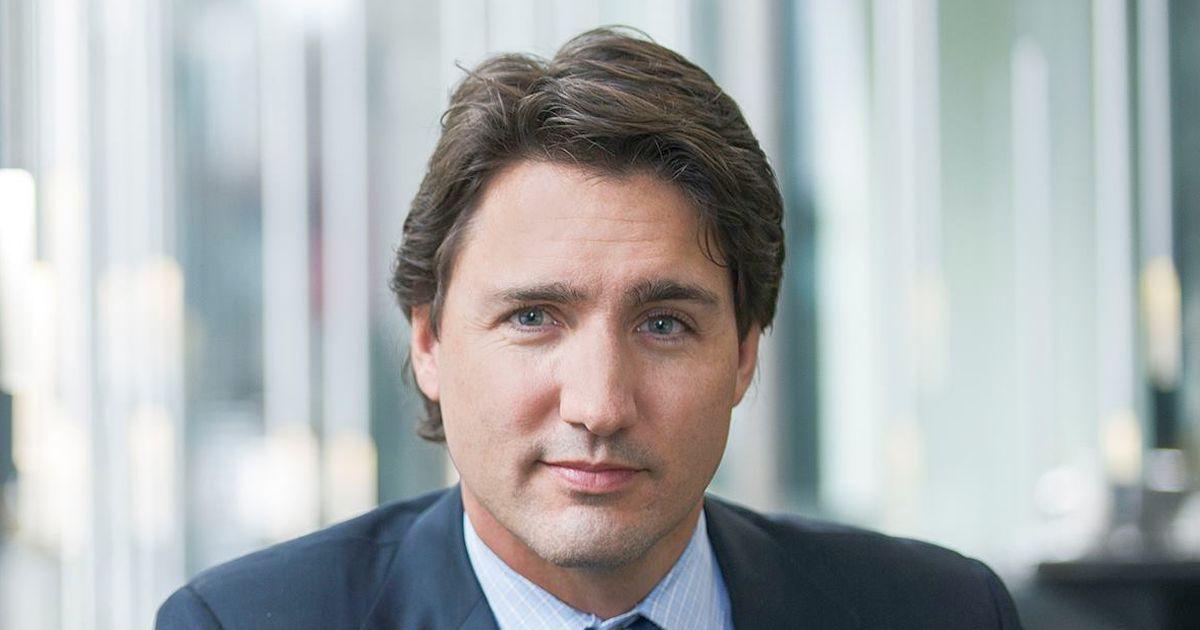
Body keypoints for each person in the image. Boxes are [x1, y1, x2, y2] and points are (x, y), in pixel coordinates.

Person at [157, 27, 1023, 629]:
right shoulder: (241, 624)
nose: (600, 406)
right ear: (428, 342)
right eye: (534, 317)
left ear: (745, 352)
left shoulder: (942, 614)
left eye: (664, 324)